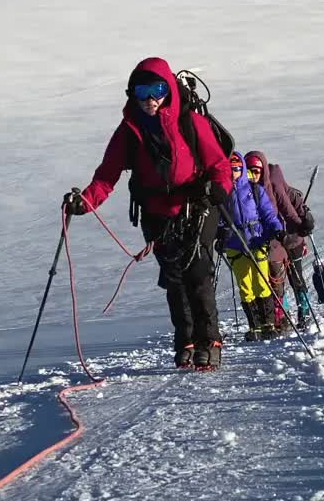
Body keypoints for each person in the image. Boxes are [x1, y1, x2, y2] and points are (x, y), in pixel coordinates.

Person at [65, 57, 233, 370]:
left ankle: (209, 341)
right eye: (142, 91)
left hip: (197, 207)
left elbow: (220, 165)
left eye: (157, 89)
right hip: (157, 214)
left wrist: (219, 188)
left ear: (169, 89)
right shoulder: (129, 130)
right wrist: (85, 202)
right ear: (132, 94)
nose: (150, 99)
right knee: (173, 280)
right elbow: (107, 175)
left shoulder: (191, 124)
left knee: (197, 273)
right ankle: (186, 341)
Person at [219, 152, 286, 341]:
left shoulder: (254, 190)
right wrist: (220, 233)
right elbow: (218, 219)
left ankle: (269, 323)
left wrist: (277, 229)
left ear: (242, 169)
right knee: (245, 285)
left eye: (237, 168)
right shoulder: (222, 192)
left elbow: (268, 214)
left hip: (257, 240)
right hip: (234, 244)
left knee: (262, 281)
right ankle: (254, 326)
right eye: (231, 169)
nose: (234, 173)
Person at [243, 151, 315, 326]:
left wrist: (304, 224)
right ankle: (282, 314)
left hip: (291, 236)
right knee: (275, 280)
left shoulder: (275, 183)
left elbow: (291, 205)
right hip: (272, 242)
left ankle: (304, 311)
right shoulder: (246, 191)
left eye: (256, 171)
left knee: (296, 276)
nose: (253, 175)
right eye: (249, 171)